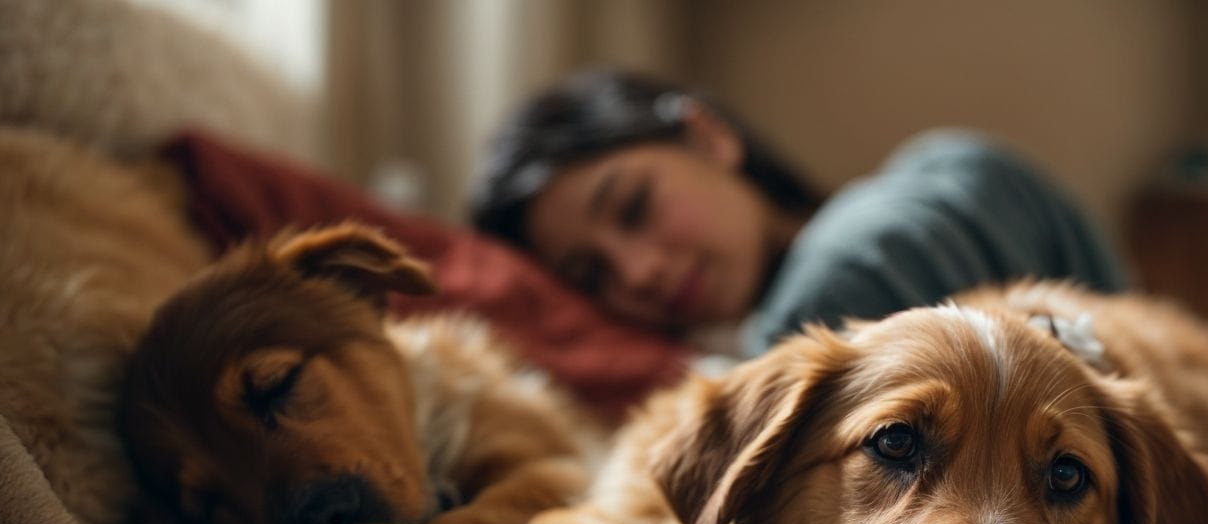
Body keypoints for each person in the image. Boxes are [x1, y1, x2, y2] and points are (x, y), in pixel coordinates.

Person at [468, 70, 1129, 359]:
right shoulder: (954, 160)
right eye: (592, 276)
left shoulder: (850, 271)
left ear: (708, 135)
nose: (637, 274)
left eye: (635, 208)